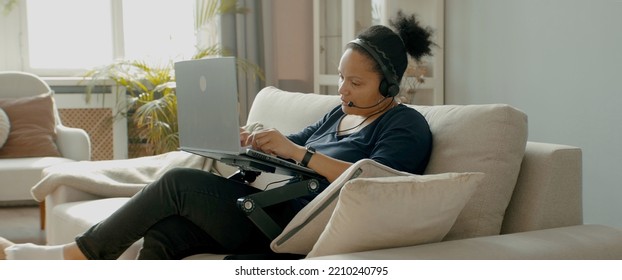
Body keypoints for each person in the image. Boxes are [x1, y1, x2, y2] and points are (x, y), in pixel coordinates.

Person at [0, 11, 435, 260]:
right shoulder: (336, 114)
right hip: (268, 208)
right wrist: (256, 139)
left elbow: (379, 184)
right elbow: (292, 143)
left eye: (355, 84)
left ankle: (73, 257)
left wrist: (298, 155)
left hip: (298, 227)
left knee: (177, 184)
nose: (342, 90)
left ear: (391, 84)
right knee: (168, 231)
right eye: (341, 78)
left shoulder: (405, 125)